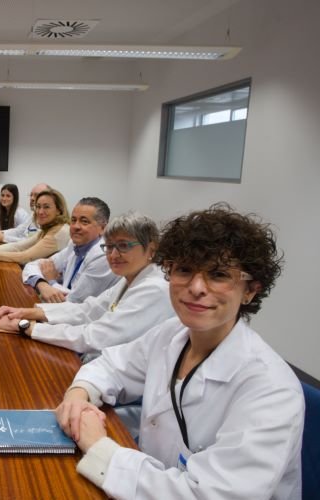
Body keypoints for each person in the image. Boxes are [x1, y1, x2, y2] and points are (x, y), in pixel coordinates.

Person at [55, 205, 303, 499]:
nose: (196, 287)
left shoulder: (271, 390)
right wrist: (78, 394)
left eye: (219, 274)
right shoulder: (172, 334)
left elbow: (208, 495)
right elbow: (111, 365)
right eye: (184, 269)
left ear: (250, 290)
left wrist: (98, 446)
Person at [0, 212, 174, 356]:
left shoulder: (153, 289)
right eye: (109, 246)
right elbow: (89, 309)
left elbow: (96, 337)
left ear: (151, 249)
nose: (113, 255)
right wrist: (28, 313)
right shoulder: (131, 277)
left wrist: (25, 326)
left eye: (123, 246)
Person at [22, 197, 120, 303]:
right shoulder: (74, 245)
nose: (76, 226)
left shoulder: (103, 256)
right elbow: (32, 265)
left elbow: (75, 301)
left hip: (81, 317)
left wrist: (51, 282)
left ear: (102, 228)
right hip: (59, 310)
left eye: (84, 221)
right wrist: (42, 284)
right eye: (73, 220)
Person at [0, 189, 70, 265]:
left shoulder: (60, 232)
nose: (40, 211)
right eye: (38, 207)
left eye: (46, 207)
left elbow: (25, 257)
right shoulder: (48, 229)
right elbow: (19, 246)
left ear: (59, 210)